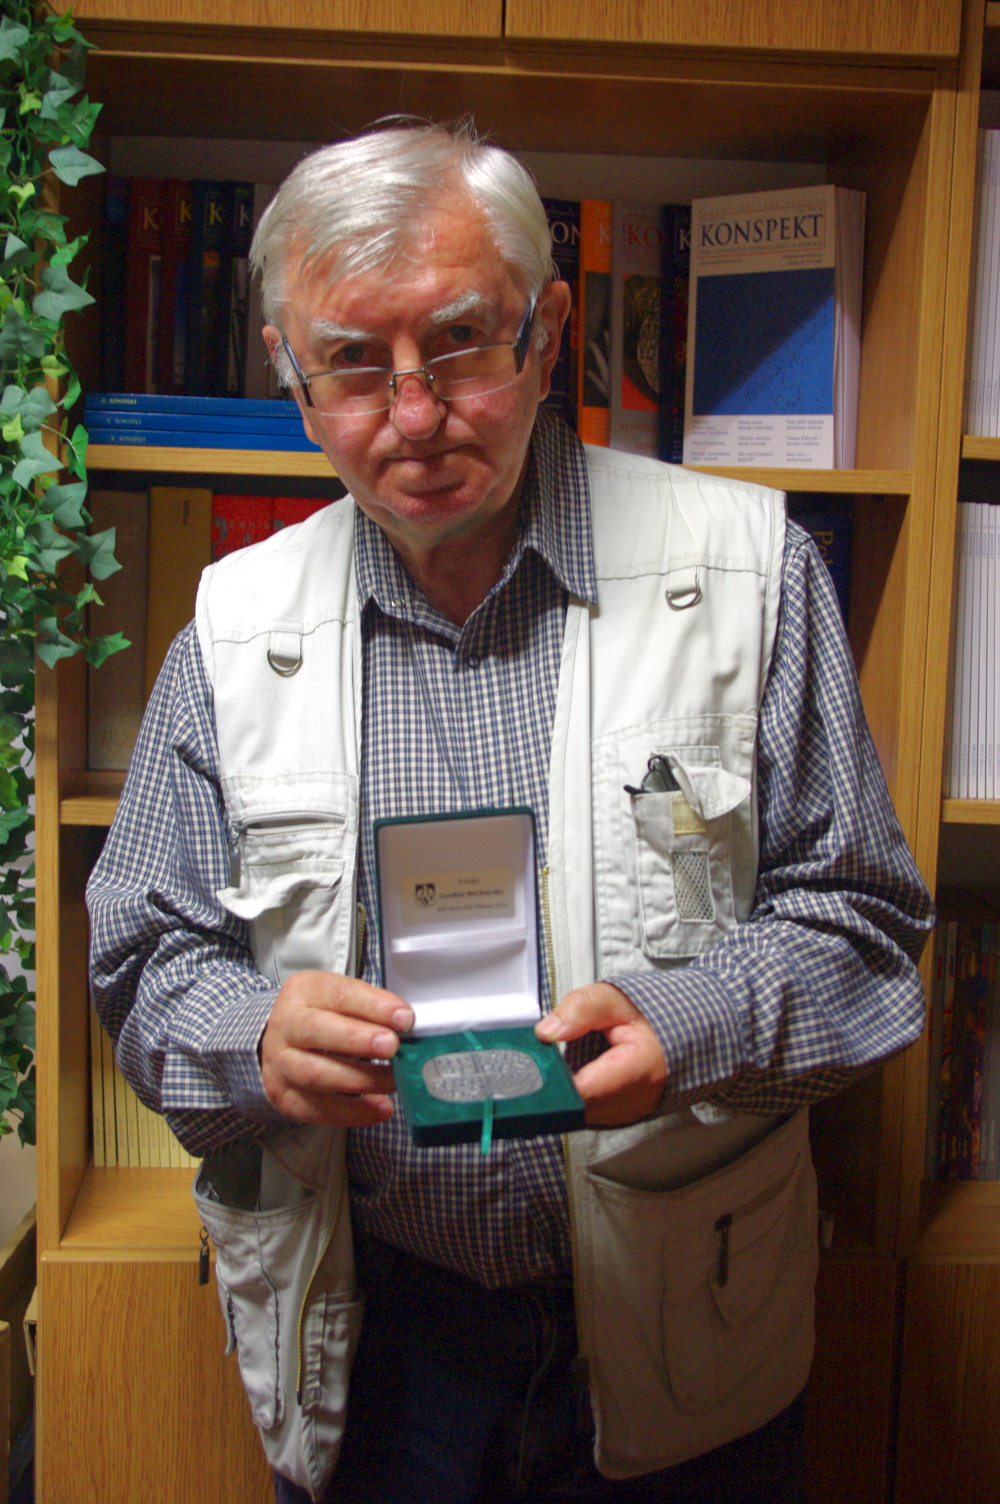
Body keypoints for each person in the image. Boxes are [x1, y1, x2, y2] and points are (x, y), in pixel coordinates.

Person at [87, 123, 933, 1504]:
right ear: (291, 379)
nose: (416, 415)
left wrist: (692, 1022)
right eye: (354, 362)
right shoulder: (233, 631)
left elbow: (867, 930)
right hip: (377, 1349)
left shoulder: (752, 572)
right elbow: (141, 958)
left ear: (549, 335)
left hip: (687, 1327)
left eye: (461, 343)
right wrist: (256, 1037)